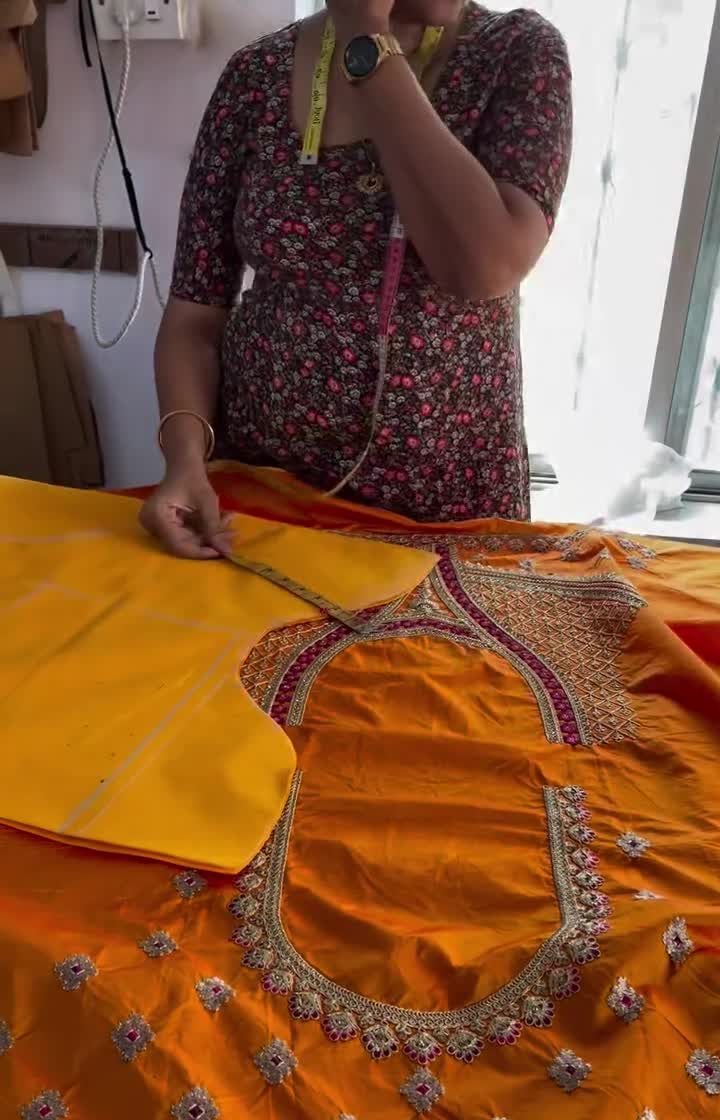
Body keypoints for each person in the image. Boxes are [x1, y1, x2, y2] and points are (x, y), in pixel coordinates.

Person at [140, 0, 573, 559]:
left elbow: (483, 269)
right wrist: (184, 463)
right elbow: (194, 317)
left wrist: (366, 40)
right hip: (263, 493)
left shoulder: (515, 51)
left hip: (444, 509)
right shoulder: (256, 74)